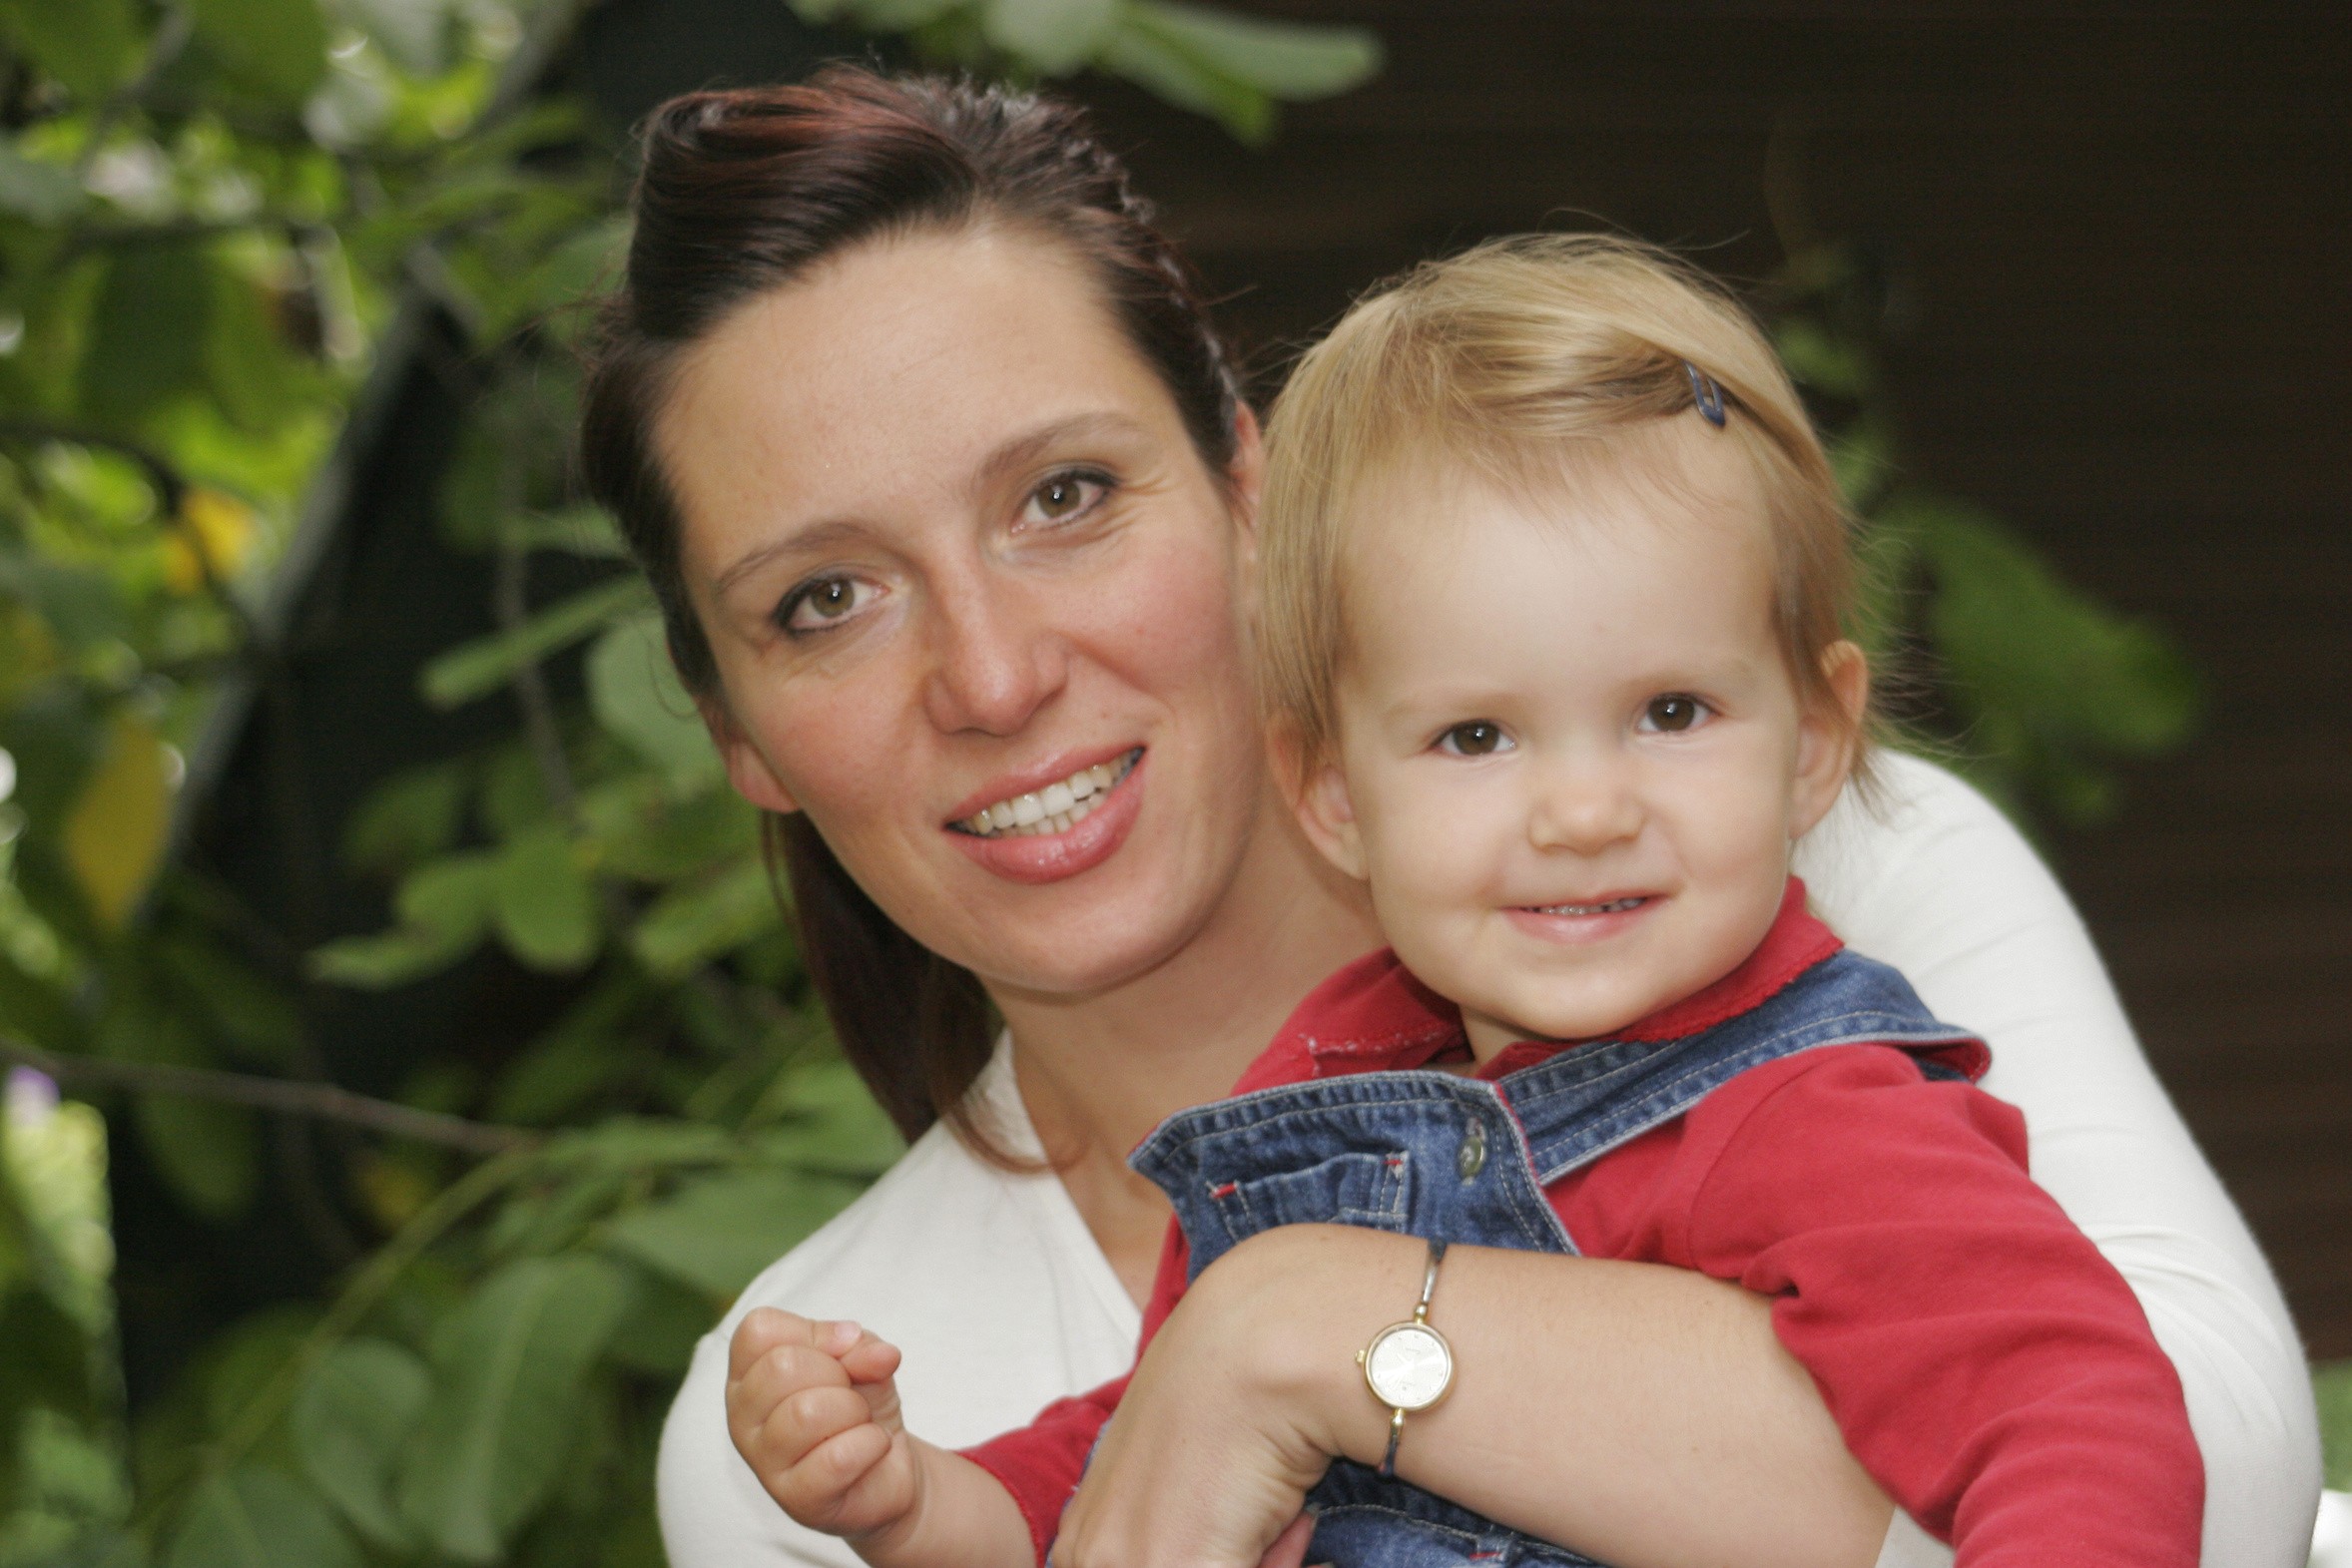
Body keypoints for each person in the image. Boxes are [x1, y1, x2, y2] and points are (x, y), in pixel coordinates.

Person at [575, 67, 2320, 1568]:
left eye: (1065, 493)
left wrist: (1307, 1334)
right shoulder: (823, 1414)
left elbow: (2202, 1470)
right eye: (823, 600)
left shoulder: (1811, 881)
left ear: (1252, 489)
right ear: (735, 733)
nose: (992, 674)